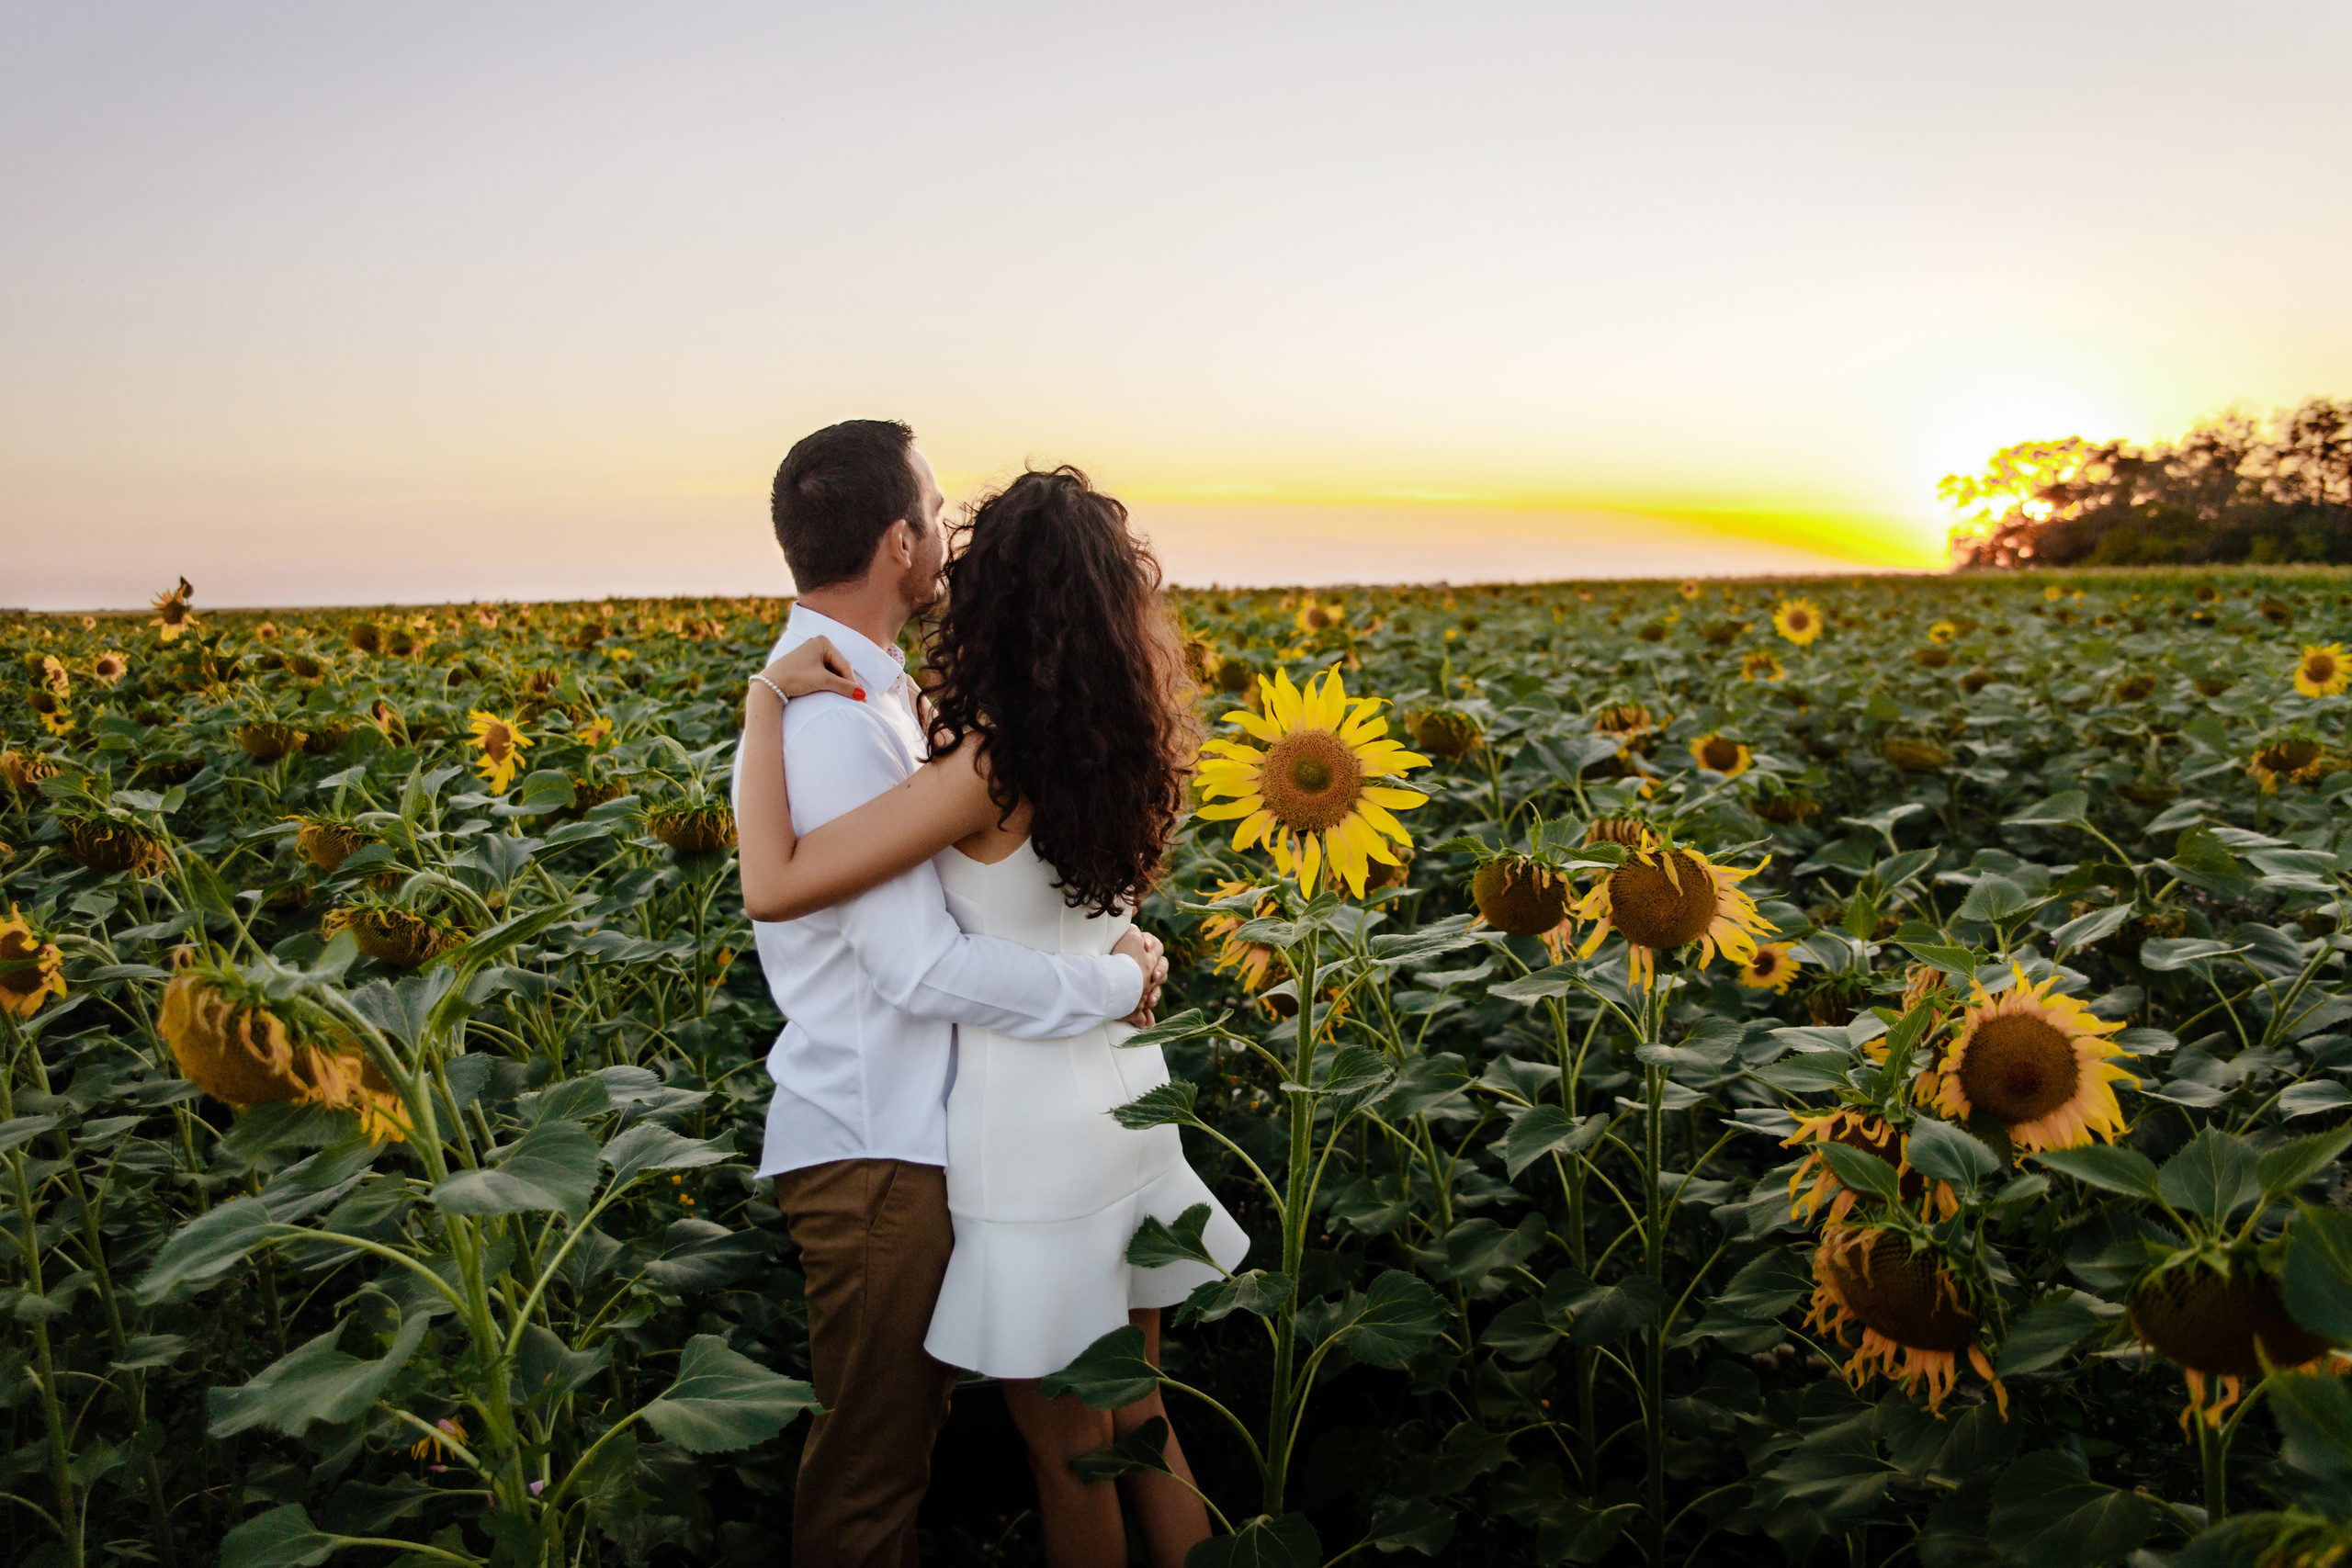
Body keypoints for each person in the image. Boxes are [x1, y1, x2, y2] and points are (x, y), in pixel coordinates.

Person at [738, 446, 1248, 1568]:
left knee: (1069, 1461)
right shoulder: (1122, 742)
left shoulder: (972, 763)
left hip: (1026, 1141)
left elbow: (780, 889)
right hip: (1124, 1107)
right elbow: (1069, 913)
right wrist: (1124, 968)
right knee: (1144, 1420)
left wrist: (763, 704)